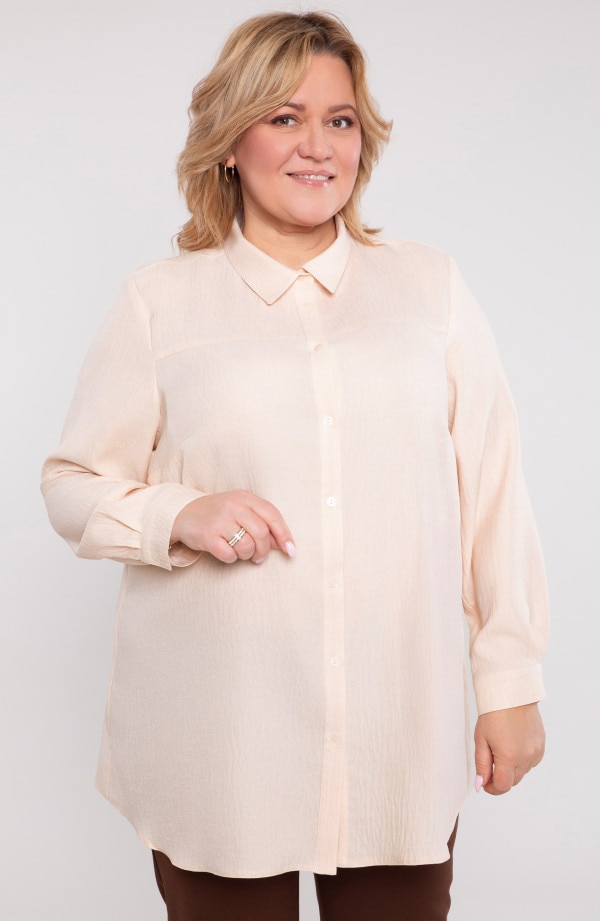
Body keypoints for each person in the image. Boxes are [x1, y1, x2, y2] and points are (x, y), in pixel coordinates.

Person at [41, 11, 548, 921]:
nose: (318, 146)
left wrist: (510, 684)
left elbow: (493, 498)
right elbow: (72, 483)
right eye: (284, 117)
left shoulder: (429, 289)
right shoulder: (160, 302)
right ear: (231, 142)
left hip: (397, 741)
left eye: (339, 120)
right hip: (221, 743)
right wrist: (177, 513)